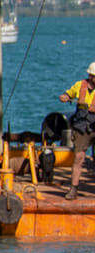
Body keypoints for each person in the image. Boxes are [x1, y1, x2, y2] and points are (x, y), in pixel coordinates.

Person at [57, 62, 95, 199]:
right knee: (79, 157)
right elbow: (68, 94)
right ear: (90, 76)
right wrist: (65, 97)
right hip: (82, 126)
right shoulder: (80, 85)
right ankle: (73, 189)